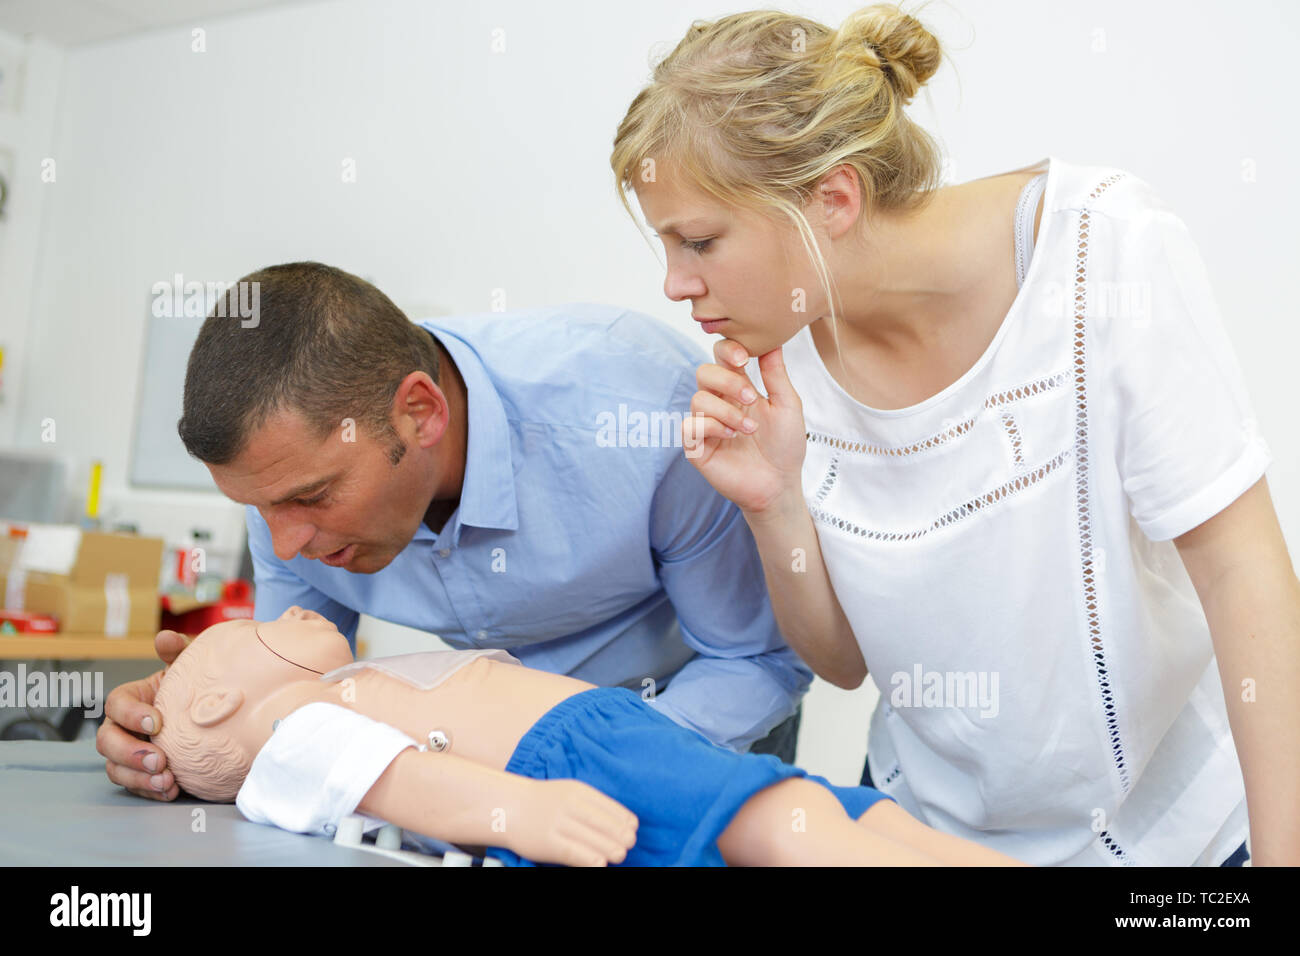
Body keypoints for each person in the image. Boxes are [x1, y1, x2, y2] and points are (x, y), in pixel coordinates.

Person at [609, 3, 1300, 866]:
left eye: (699, 242)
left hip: (1180, 838)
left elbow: (1244, 573)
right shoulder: (784, 363)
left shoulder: (1103, 250)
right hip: (924, 832)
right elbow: (844, 665)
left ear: (833, 199)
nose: (674, 284)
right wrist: (773, 503)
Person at [98, 263, 813, 802]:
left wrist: (580, 768)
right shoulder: (287, 497)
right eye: (259, 508)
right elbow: (299, 697)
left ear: (420, 412)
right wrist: (178, 738)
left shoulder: (645, 416)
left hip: (694, 733)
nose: (285, 546)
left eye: (312, 497)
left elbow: (754, 659)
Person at [151, 605, 1025, 866]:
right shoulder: (293, 732)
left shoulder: (330, 694)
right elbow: (398, 779)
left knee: (823, 810)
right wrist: (519, 811)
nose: (295, 610)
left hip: (603, 737)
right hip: (566, 763)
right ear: (216, 705)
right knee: (785, 827)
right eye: (254, 630)